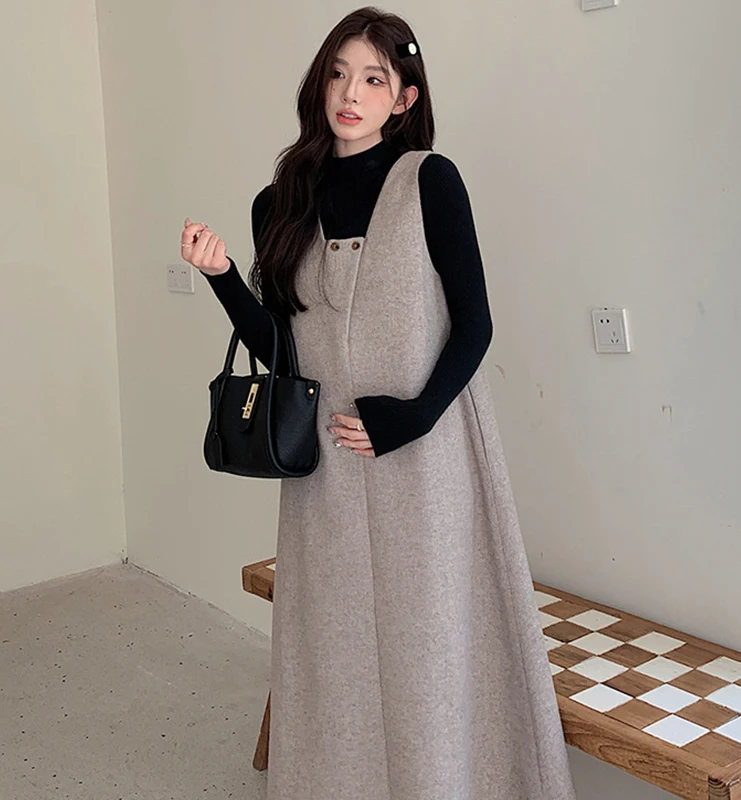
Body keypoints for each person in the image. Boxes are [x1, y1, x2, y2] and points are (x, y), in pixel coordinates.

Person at [180, 7, 576, 799]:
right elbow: (283, 353)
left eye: (372, 78)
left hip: (427, 463)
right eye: (337, 73)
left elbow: (475, 324)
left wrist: (414, 416)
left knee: (433, 650)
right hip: (326, 467)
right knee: (335, 652)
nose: (349, 94)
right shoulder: (279, 203)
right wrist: (223, 278)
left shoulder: (431, 181)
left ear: (404, 97)